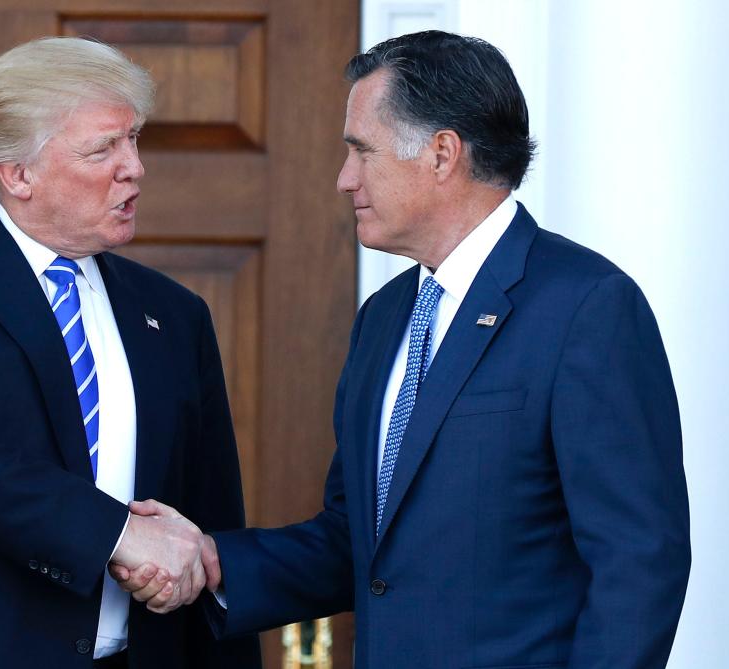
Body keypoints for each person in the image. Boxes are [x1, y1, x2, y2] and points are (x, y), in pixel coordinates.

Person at [114, 31, 691, 669]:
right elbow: (357, 539)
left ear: (442, 154)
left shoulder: (588, 306)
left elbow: (637, 562)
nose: (344, 179)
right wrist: (214, 560)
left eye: (361, 151)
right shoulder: (385, 319)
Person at [0, 37, 260, 669]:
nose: (134, 167)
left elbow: (207, 519)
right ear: (17, 172)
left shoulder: (173, 312)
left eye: (134, 139)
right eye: (103, 148)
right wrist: (119, 535)